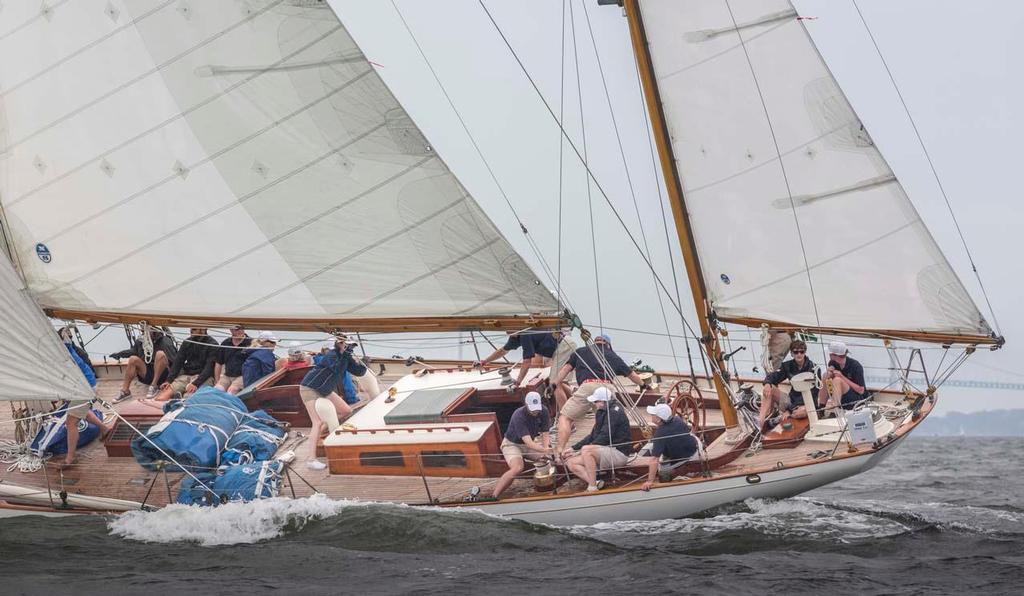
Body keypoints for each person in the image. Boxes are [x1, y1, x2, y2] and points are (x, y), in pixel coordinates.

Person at [550, 334, 648, 456]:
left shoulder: (580, 351)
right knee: (605, 422)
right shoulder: (613, 355)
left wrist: (555, 383)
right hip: (607, 389)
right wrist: (643, 385)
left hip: (587, 386)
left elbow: (565, 369)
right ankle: (598, 452)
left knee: (565, 417)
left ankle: (559, 452)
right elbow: (632, 375)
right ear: (608, 345)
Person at [300, 336, 368, 470]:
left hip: (325, 389)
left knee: (346, 411)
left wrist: (361, 362)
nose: (349, 348)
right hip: (310, 388)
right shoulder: (331, 355)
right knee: (317, 422)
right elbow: (335, 368)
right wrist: (346, 354)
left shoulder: (345, 357)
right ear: (338, 344)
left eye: (352, 346)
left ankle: (318, 433)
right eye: (346, 345)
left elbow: (359, 372)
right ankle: (311, 460)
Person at [562, 387, 633, 492]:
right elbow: (593, 435)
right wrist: (573, 448)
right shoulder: (601, 411)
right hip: (606, 451)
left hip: (619, 453)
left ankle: (592, 488)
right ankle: (596, 482)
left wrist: (580, 451)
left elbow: (604, 437)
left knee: (587, 450)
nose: (594, 403)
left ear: (603, 401)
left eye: (596, 401)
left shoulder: (614, 413)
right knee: (571, 462)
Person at [61, 335, 113, 467]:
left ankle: (70, 458)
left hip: (84, 388)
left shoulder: (65, 356)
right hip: (87, 385)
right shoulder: (68, 349)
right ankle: (104, 429)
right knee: (83, 412)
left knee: (71, 422)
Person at [492, 392, 551, 499]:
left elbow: (545, 434)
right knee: (518, 468)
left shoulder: (544, 411)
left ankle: (547, 487)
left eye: (537, 408)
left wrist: (546, 449)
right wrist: (544, 449)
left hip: (530, 445)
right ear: (526, 404)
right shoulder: (518, 415)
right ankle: (494, 496)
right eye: (532, 409)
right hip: (512, 444)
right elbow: (528, 442)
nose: (535, 411)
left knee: (548, 459)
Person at [758, 339, 818, 429]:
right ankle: (760, 421)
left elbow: (814, 392)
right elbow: (773, 376)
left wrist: (789, 410)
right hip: (791, 400)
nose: (799, 354)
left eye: (802, 352)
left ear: (805, 352)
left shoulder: (814, 368)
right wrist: (767, 383)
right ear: (791, 353)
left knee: (800, 413)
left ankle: (782, 418)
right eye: (796, 352)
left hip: (806, 403)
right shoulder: (787, 366)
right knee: (769, 388)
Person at [147, 328, 217, 403]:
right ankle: (175, 398)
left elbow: (209, 368)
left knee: (188, 398)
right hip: (186, 376)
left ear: (203, 329)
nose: (190, 331)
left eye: (194, 329)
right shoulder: (187, 342)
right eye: (191, 329)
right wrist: (169, 380)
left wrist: (196, 383)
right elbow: (178, 362)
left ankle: (181, 397)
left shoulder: (212, 344)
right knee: (162, 397)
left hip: (203, 378)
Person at [641, 403, 699, 491]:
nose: (651, 415)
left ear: (658, 419)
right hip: (695, 448)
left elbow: (654, 460)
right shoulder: (677, 419)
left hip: (686, 459)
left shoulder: (660, 433)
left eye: (653, 415)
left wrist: (649, 481)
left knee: (663, 475)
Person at [475, 330, 559, 389]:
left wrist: (518, 382)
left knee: (555, 384)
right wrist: (484, 361)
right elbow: (502, 351)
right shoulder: (515, 336)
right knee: (559, 383)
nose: (507, 332)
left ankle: (563, 413)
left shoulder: (525, 334)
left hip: (561, 349)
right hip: (556, 353)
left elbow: (527, 362)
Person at [110, 328, 177, 401]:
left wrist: (172, 379)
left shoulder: (165, 341)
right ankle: (125, 391)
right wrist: (120, 354)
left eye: (145, 331)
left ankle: (154, 386)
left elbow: (175, 360)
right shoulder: (140, 341)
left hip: (163, 375)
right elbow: (133, 351)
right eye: (142, 331)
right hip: (147, 373)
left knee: (160, 354)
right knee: (133, 359)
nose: (143, 333)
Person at [819, 340, 867, 412]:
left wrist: (842, 377)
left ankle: (835, 410)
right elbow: (829, 375)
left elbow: (861, 390)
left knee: (837, 380)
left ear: (833, 355)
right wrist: (830, 373)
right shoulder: (833, 363)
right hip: (841, 396)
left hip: (856, 399)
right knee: (826, 375)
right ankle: (821, 409)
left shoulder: (856, 366)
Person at [215, 325, 252, 394]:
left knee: (231, 390)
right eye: (237, 329)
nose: (240, 331)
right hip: (227, 375)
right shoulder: (226, 343)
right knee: (217, 390)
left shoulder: (251, 343)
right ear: (231, 330)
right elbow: (218, 363)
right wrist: (217, 380)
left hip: (243, 376)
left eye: (242, 329)